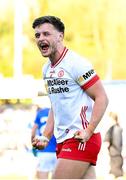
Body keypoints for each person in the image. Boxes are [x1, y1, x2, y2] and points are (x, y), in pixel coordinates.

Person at [31, 15, 109, 179]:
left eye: (46, 34)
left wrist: (89, 131)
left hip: (81, 138)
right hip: (64, 140)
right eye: (37, 35)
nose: (41, 39)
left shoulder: (75, 63)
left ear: (60, 36)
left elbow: (102, 98)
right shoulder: (46, 69)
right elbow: (56, 106)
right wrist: (46, 136)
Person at [31, 105, 57, 179]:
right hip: (57, 152)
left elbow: (33, 132)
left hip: (43, 151)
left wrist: (33, 146)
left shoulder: (40, 113)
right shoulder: (55, 111)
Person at [104, 112, 123, 178]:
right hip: (117, 155)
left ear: (111, 119)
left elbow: (107, 142)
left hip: (114, 154)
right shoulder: (119, 128)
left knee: (113, 175)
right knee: (118, 174)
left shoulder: (112, 129)